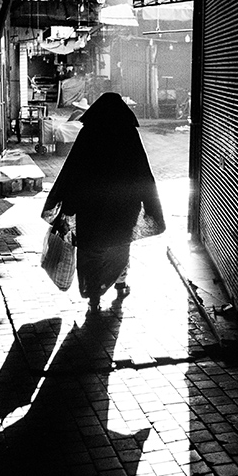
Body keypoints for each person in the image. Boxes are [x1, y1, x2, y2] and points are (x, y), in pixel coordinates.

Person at [42, 92, 166, 312]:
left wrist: (67, 206)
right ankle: (120, 284)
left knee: (91, 249)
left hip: (91, 207)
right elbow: (142, 173)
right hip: (123, 206)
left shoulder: (89, 134)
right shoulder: (129, 135)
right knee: (120, 245)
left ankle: (94, 297)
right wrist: (150, 204)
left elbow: (73, 171)